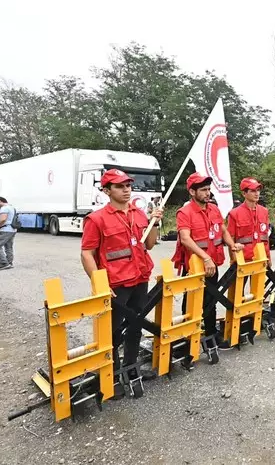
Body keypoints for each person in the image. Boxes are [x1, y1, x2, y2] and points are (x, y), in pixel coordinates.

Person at [80, 169, 163, 398]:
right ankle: (112, 376)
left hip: (139, 278)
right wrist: (99, 284)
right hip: (115, 283)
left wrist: (155, 222)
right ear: (107, 190)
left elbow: (149, 245)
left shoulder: (139, 214)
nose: (126, 189)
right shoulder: (96, 219)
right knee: (112, 332)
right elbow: (87, 253)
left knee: (135, 326)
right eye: (119, 186)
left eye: (128, 185)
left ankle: (132, 368)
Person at [172, 173, 242, 346]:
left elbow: (223, 230)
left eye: (208, 189)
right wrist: (205, 258)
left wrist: (232, 245)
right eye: (203, 190)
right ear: (192, 192)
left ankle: (211, 334)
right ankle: (187, 337)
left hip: (212, 264)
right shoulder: (185, 212)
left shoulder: (214, 209)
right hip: (194, 266)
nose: (207, 193)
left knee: (211, 299)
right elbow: (185, 238)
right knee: (191, 303)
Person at [226, 178, 271, 262]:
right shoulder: (234, 213)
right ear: (244, 193)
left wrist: (268, 257)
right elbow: (230, 239)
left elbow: (265, 237)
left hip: (261, 258)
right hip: (242, 259)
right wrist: (233, 259)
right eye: (253, 191)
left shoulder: (264, 211)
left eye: (258, 190)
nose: (257, 193)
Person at [0, 197, 17, 271]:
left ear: (0, 201)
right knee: (8, 247)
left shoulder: (4, 208)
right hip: (12, 230)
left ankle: (4, 263)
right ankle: (9, 263)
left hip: (5, 230)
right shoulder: (12, 208)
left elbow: (3, 219)